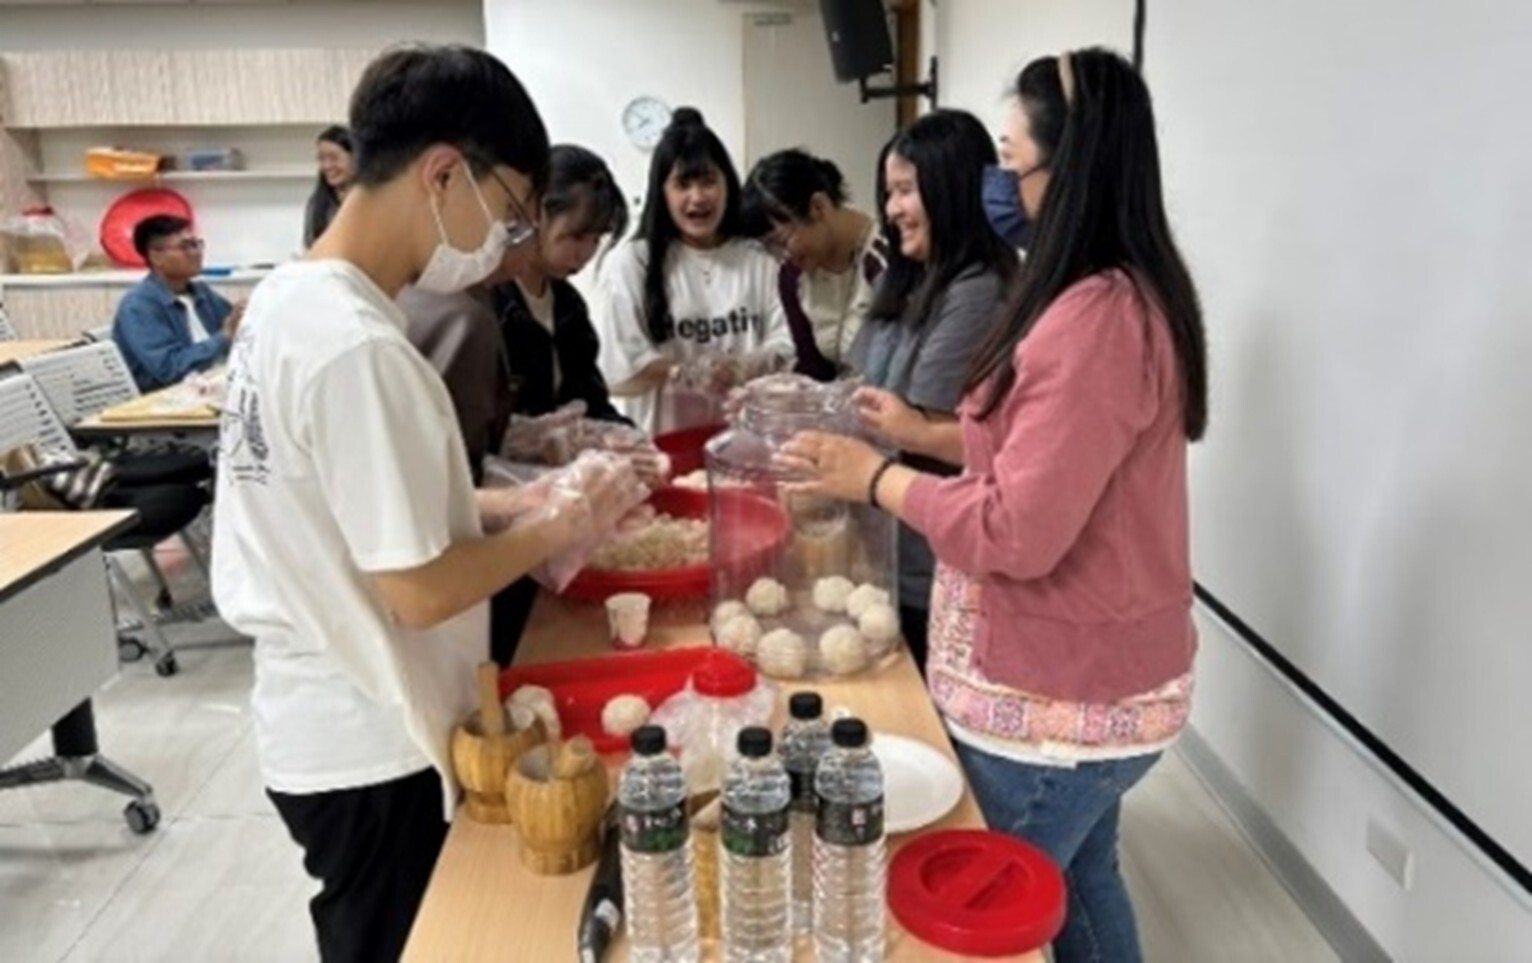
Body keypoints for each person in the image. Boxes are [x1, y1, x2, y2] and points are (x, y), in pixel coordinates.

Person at [211, 46, 641, 963]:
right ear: (445, 172)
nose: (507, 238)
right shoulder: (355, 344)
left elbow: (351, 507)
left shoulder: (291, 301)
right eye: (512, 210)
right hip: (369, 734)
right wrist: (560, 522)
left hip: (317, 716)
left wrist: (507, 503)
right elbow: (415, 589)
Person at [780, 48, 1209, 963]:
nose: (1000, 191)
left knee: (973, 918)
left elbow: (1018, 526)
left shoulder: (1096, 318)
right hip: (1094, 685)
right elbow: (1050, 459)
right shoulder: (1110, 295)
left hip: (1063, 704)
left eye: (1012, 169)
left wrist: (878, 478)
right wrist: (929, 438)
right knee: (1085, 884)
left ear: (1075, 171)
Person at [401, 142, 634, 667]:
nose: (585, 252)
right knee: (508, 649)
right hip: (499, 521)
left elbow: (587, 397)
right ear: (532, 215)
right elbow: (460, 460)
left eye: (596, 239)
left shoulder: (569, 304)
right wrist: (538, 455)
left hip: (547, 510)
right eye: (575, 234)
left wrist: (621, 438)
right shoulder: (480, 307)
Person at [849, 109, 1019, 671]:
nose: (892, 209)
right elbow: (858, 388)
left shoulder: (978, 290)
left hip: (934, 559)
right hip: (885, 547)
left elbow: (914, 425)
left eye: (905, 190)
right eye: (888, 192)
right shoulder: (910, 278)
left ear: (950, 190)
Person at [594, 108, 793, 432]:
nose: (697, 197)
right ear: (661, 191)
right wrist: (682, 372)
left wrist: (744, 366)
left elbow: (788, 344)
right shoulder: (633, 262)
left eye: (708, 181)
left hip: (748, 445)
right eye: (682, 184)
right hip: (663, 449)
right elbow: (618, 371)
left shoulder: (760, 260)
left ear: (728, 184)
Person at [740, 148, 886, 380]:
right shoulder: (793, 276)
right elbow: (814, 369)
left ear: (818, 207)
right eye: (769, 249)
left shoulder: (883, 261)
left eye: (781, 241)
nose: (782, 257)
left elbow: (901, 370)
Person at [112, 215, 240, 392]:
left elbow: (236, 329)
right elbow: (170, 369)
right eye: (186, 247)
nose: (196, 253)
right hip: (164, 403)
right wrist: (224, 337)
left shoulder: (201, 292)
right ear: (156, 257)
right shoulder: (138, 306)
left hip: (207, 388)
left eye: (197, 244)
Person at [303, 125, 355, 247]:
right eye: (321, 159)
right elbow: (311, 245)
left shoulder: (370, 201)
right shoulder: (317, 203)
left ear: (355, 158)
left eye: (334, 158)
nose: (327, 166)